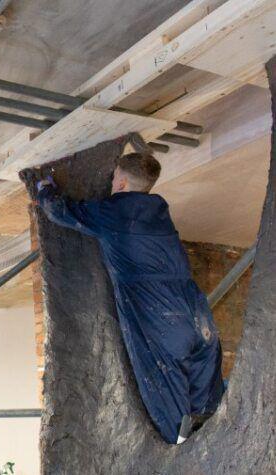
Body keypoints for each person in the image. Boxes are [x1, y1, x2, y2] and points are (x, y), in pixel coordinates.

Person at [35, 152, 224, 444]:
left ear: (121, 184)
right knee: (207, 394)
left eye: (113, 179)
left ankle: (183, 446)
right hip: (195, 309)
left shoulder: (115, 212)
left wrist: (44, 188)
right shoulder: (159, 210)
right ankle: (211, 432)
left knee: (166, 390)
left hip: (157, 308)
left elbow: (61, 212)